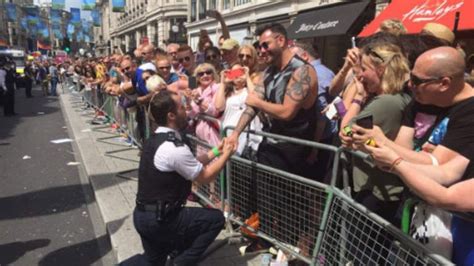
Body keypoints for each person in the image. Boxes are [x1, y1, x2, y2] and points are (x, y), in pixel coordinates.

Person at [353, 47, 474, 265]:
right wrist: (375, 146)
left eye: (417, 80)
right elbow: (433, 166)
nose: (410, 85)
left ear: (444, 83)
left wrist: (391, 154)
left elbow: (443, 180)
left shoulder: (469, 112)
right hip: (419, 211)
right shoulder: (420, 101)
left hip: (453, 224)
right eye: (411, 77)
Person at [133, 90, 235, 265]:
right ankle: (181, 261)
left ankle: (174, 252)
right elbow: (204, 177)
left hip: (143, 216)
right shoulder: (174, 147)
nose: (186, 110)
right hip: (161, 219)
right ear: (171, 115)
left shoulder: (155, 139)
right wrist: (227, 154)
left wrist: (217, 150)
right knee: (215, 219)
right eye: (182, 107)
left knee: (154, 261)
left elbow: (191, 164)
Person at [228, 23, 318, 176]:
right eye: (259, 46)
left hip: (293, 154)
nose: (261, 50)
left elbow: (286, 112)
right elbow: (252, 106)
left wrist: (258, 103)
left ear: (281, 41)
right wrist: (235, 134)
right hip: (270, 145)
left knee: (284, 199)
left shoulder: (302, 70)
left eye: (265, 45)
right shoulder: (269, 71)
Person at [340, 42, 411, 226]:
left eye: (364, 69)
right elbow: (371, 140)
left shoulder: (385, 102)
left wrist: (358, 98)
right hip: (378, 187)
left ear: (380, 69)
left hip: (377, 191)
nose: (361, 75)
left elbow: (346, 130)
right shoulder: (395, 98)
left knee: (361, 250)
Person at [290, 41, 336, 180]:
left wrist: (314, 149)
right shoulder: (325, 70)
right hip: (322, 138)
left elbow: (321, 115)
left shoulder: (316, 74)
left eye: (293, 58)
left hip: (320, 140)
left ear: (304, 56)